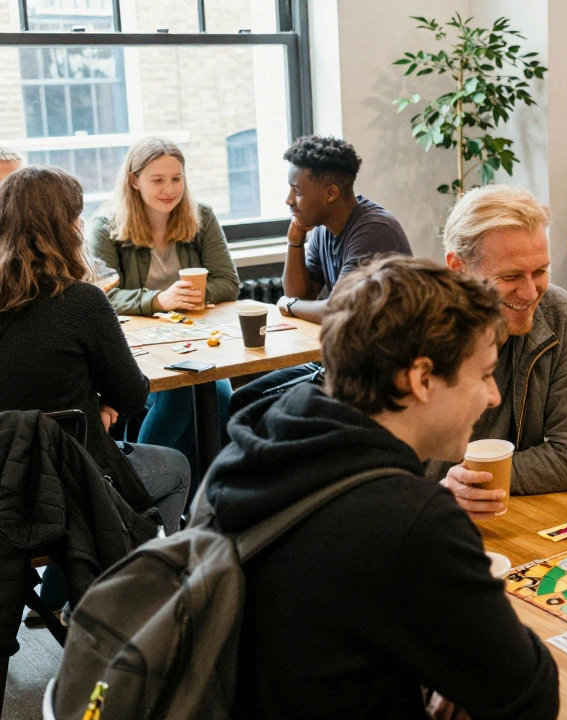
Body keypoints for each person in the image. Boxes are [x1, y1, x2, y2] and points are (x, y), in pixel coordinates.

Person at [200, 256, 559, 719]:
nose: (492, 395)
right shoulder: (409, 521)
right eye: (484, 373)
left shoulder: (255, 446)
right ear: (421, 379)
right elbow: (528, 697)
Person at [0, 167, 190, 535]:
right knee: (176, 469)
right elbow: (133, 395)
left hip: (5, 481)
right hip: (69, 477)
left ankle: (68, 591)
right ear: (66, 226)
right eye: (76, 215)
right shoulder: (80, 300)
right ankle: (134, 581)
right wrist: (100, 402)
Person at [427, 184, 567, 515]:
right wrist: (438, 494)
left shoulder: (559, 314)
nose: (530, 291)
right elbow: (370, 487)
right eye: (510, 276)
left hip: (508, 516)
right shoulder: (409, 332)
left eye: (540, 271)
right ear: (457, 268)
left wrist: (471, 484)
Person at [229, 135, 411, 415]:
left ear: (331, 193)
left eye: (297, 191)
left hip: (378, 373)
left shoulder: (374, 230)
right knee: (244, 400)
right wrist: (295, 241)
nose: (289, 200)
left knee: (254, 408)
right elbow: (300, 294)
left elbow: (336, 310)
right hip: (342, 361)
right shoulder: (324, 229)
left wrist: (288, 306)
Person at [89, 137, 237, 473]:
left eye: (177, 178)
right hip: (134, 346)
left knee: (223, 402)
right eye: (157, 180)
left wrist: (193, 296)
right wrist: (158, 300)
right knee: (182, 394)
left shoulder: (202, 216)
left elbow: (229, 282)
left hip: (195, 337)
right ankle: (141, 486)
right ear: (133, 180)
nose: (169, 189)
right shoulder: (107, 225)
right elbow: (98, 295)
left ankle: (205, 499)